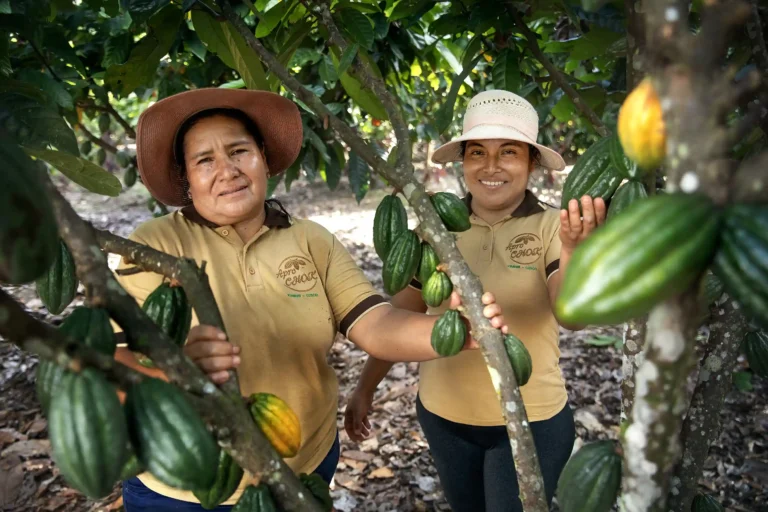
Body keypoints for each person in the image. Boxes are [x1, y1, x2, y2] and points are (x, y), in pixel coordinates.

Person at [110, 88, 508, 511]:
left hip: (302, 467)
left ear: (263, 157)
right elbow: (112, 361)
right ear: (186, 179)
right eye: (204, 160)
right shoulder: (153, 245)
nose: (226, 170)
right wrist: (175, 370)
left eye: (238, 151)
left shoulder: (310, 239)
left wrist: (453, 333)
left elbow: (374, 324)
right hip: (183, 486)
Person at [344, 90, 607, 512]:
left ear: (531, 163)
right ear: (462, 161)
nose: (491, 166)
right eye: (477, 152)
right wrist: (364, 388)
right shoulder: (433, 231)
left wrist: (576, 250)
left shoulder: (552, 227)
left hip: (531, 420)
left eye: (508, 152)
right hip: (444, 417)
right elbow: (397, 319)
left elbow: (571, 317)